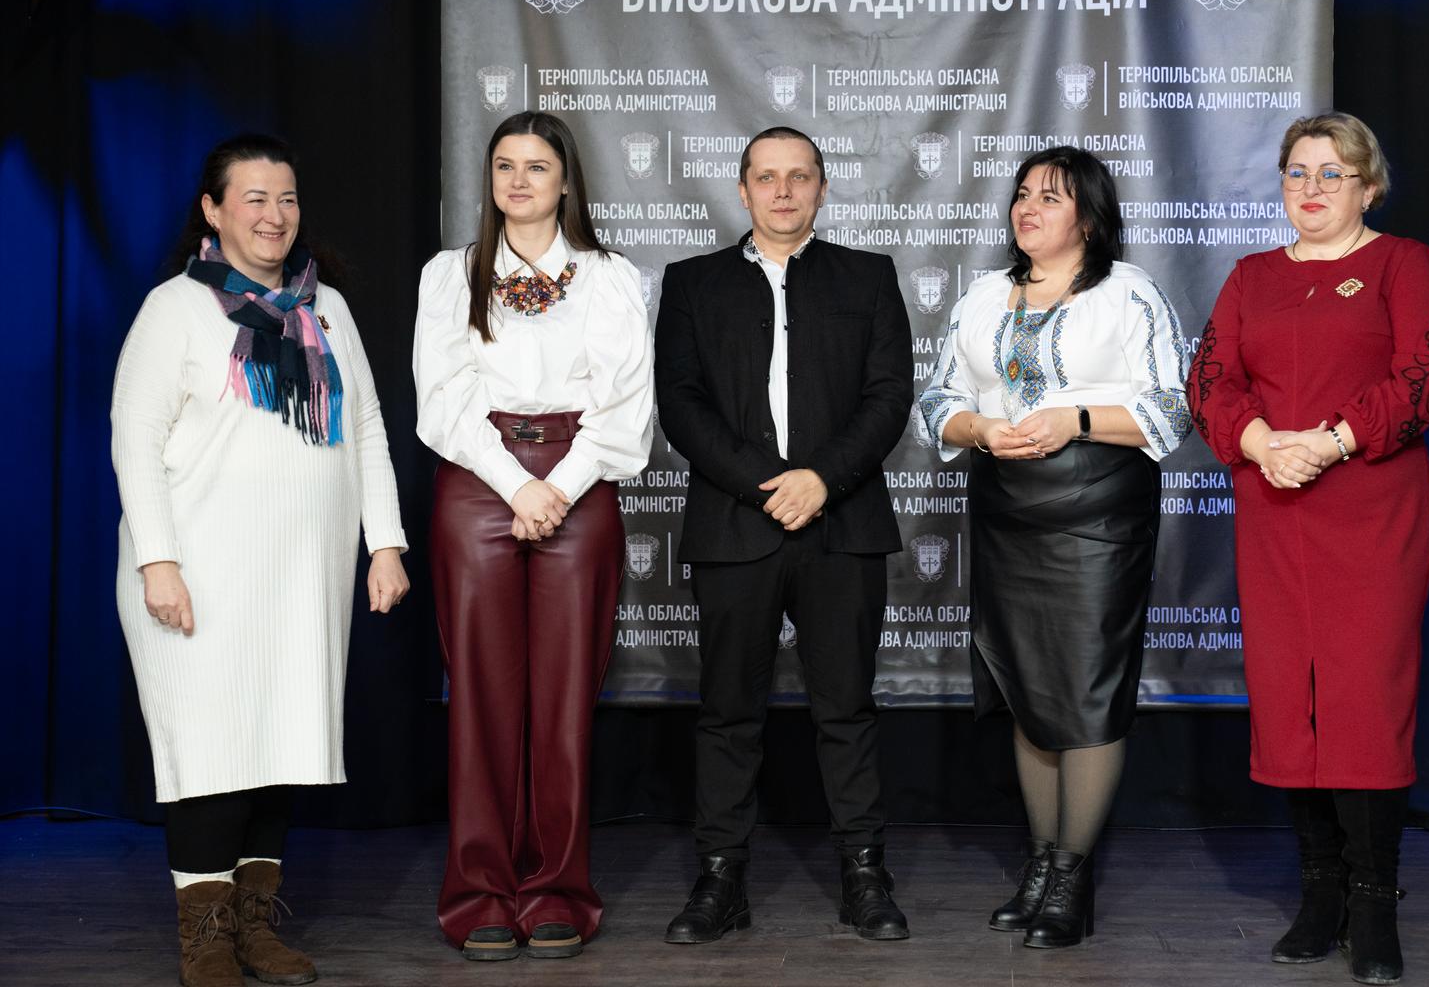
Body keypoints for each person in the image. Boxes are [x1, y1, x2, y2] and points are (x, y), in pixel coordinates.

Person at [111, 134, 410, 987]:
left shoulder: (328, 309)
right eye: (254, 198)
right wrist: (158, 562)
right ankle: (205, 941)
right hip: (198, 576)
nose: (274, 215)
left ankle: (255, 930)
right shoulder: (175, 308)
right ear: (212, 210)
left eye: (286, 198)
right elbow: (133, 438)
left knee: (281, 742)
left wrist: (385, 543)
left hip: (301, 578)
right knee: (210, 753)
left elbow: (366, 427)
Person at [1186, 111, 1429, 986]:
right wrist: (1262, 442)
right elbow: (1209, 379)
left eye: (1332, 173)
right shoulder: (1251, 276)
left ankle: (1374, 900)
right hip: (1274, 506)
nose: (1311, 188)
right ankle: (1320, 893)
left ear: (1367, 187)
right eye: (1297, 172)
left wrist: (1334, 440)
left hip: (1372, 509)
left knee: (1364, 699)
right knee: (1291, 700)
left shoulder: (1403, 264)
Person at [918, 145, 1190, 948]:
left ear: (1090, 217)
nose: (1028, 208)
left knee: (1088, 691)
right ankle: (1040, 866)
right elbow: (936, 399)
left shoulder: (1128, 293)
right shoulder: (982, 296)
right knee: (1028, 687)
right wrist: (979, 427)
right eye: (1023, 194)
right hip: (1007, 513)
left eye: (1051, 197)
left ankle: (1074, 875)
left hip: (1098, 515)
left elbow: (1174, 408)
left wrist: (1075, 419)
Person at [655, 126, 913, 944]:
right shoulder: (692, 283)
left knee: (847, 710)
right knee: (728, 713)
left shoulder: (868, 277)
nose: (783, 191)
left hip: (843, 522)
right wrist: (766, 484)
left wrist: (821, 479)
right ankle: (720, 880)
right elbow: (680, 403)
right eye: (766, 177)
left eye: (799, 177)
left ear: (822, 188)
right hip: (735, 523)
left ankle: (865, 876)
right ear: (742, 190)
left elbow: (888, 396)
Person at [414, 110, 653, 962]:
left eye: (537, 166)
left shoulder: (609, 276)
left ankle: (557, 890)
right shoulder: (450, 274)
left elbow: (626, 405)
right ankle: (479, 892)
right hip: (477, 483)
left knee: (563, 702)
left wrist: (556, 488)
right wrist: (517, 485)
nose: (519, 181)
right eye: (505, 166)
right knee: (480, 700)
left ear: (566, 181)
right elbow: (443, 400)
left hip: (577, 483)